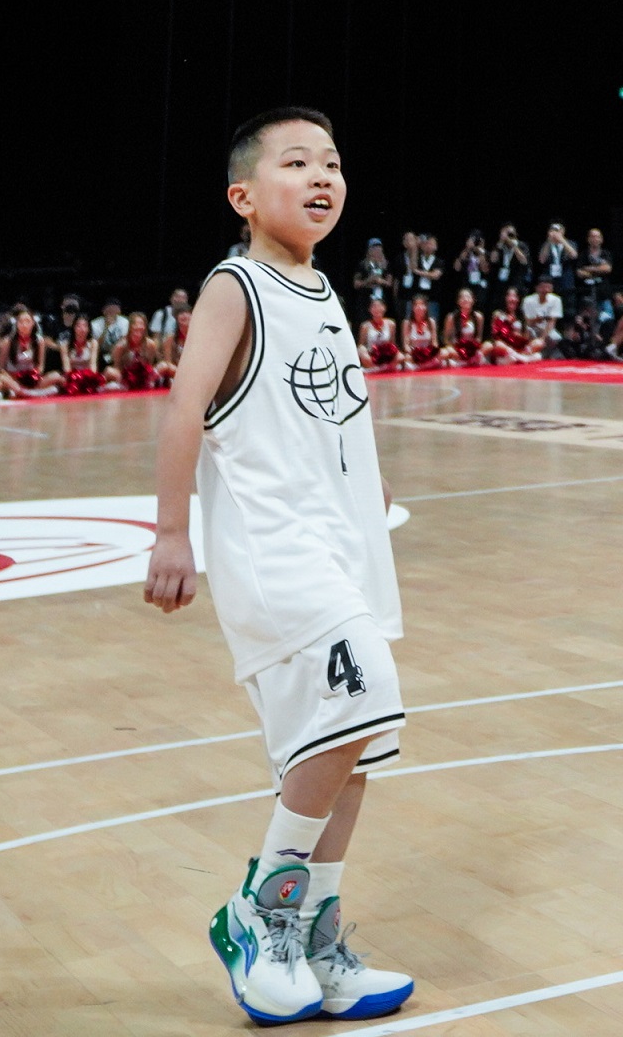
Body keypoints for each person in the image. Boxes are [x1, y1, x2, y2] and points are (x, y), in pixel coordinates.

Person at [146, 107, 423, 1026]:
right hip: (276, 552)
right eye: (297, 163)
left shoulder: (320, 286)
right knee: (365, 698)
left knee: (351, 756)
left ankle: (312, 941)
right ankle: (258, 915)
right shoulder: (238, 286)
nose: (322, 178)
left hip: (341, 551)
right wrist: (172, 533)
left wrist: (365, 505)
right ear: (242, 196)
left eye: (332, 164)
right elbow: (185, 408)